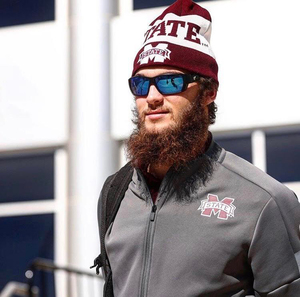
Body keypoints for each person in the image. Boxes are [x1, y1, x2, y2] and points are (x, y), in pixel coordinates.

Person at [97, 0, 300, 296]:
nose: (152, 97)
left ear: (208, 92)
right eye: (141, 85)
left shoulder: (264, 200)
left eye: (170, 82)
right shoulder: (115, 192)